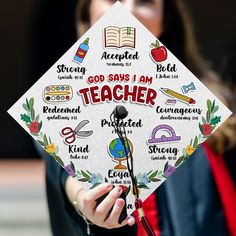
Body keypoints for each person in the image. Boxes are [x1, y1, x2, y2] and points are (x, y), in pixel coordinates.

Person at [38, 0, 236, 236]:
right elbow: (64, 170)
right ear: (87, 14)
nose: (127, 10)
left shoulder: (209, 102)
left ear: (166, 19)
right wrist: (84, 200)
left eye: (144, 1)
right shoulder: (62, 101)